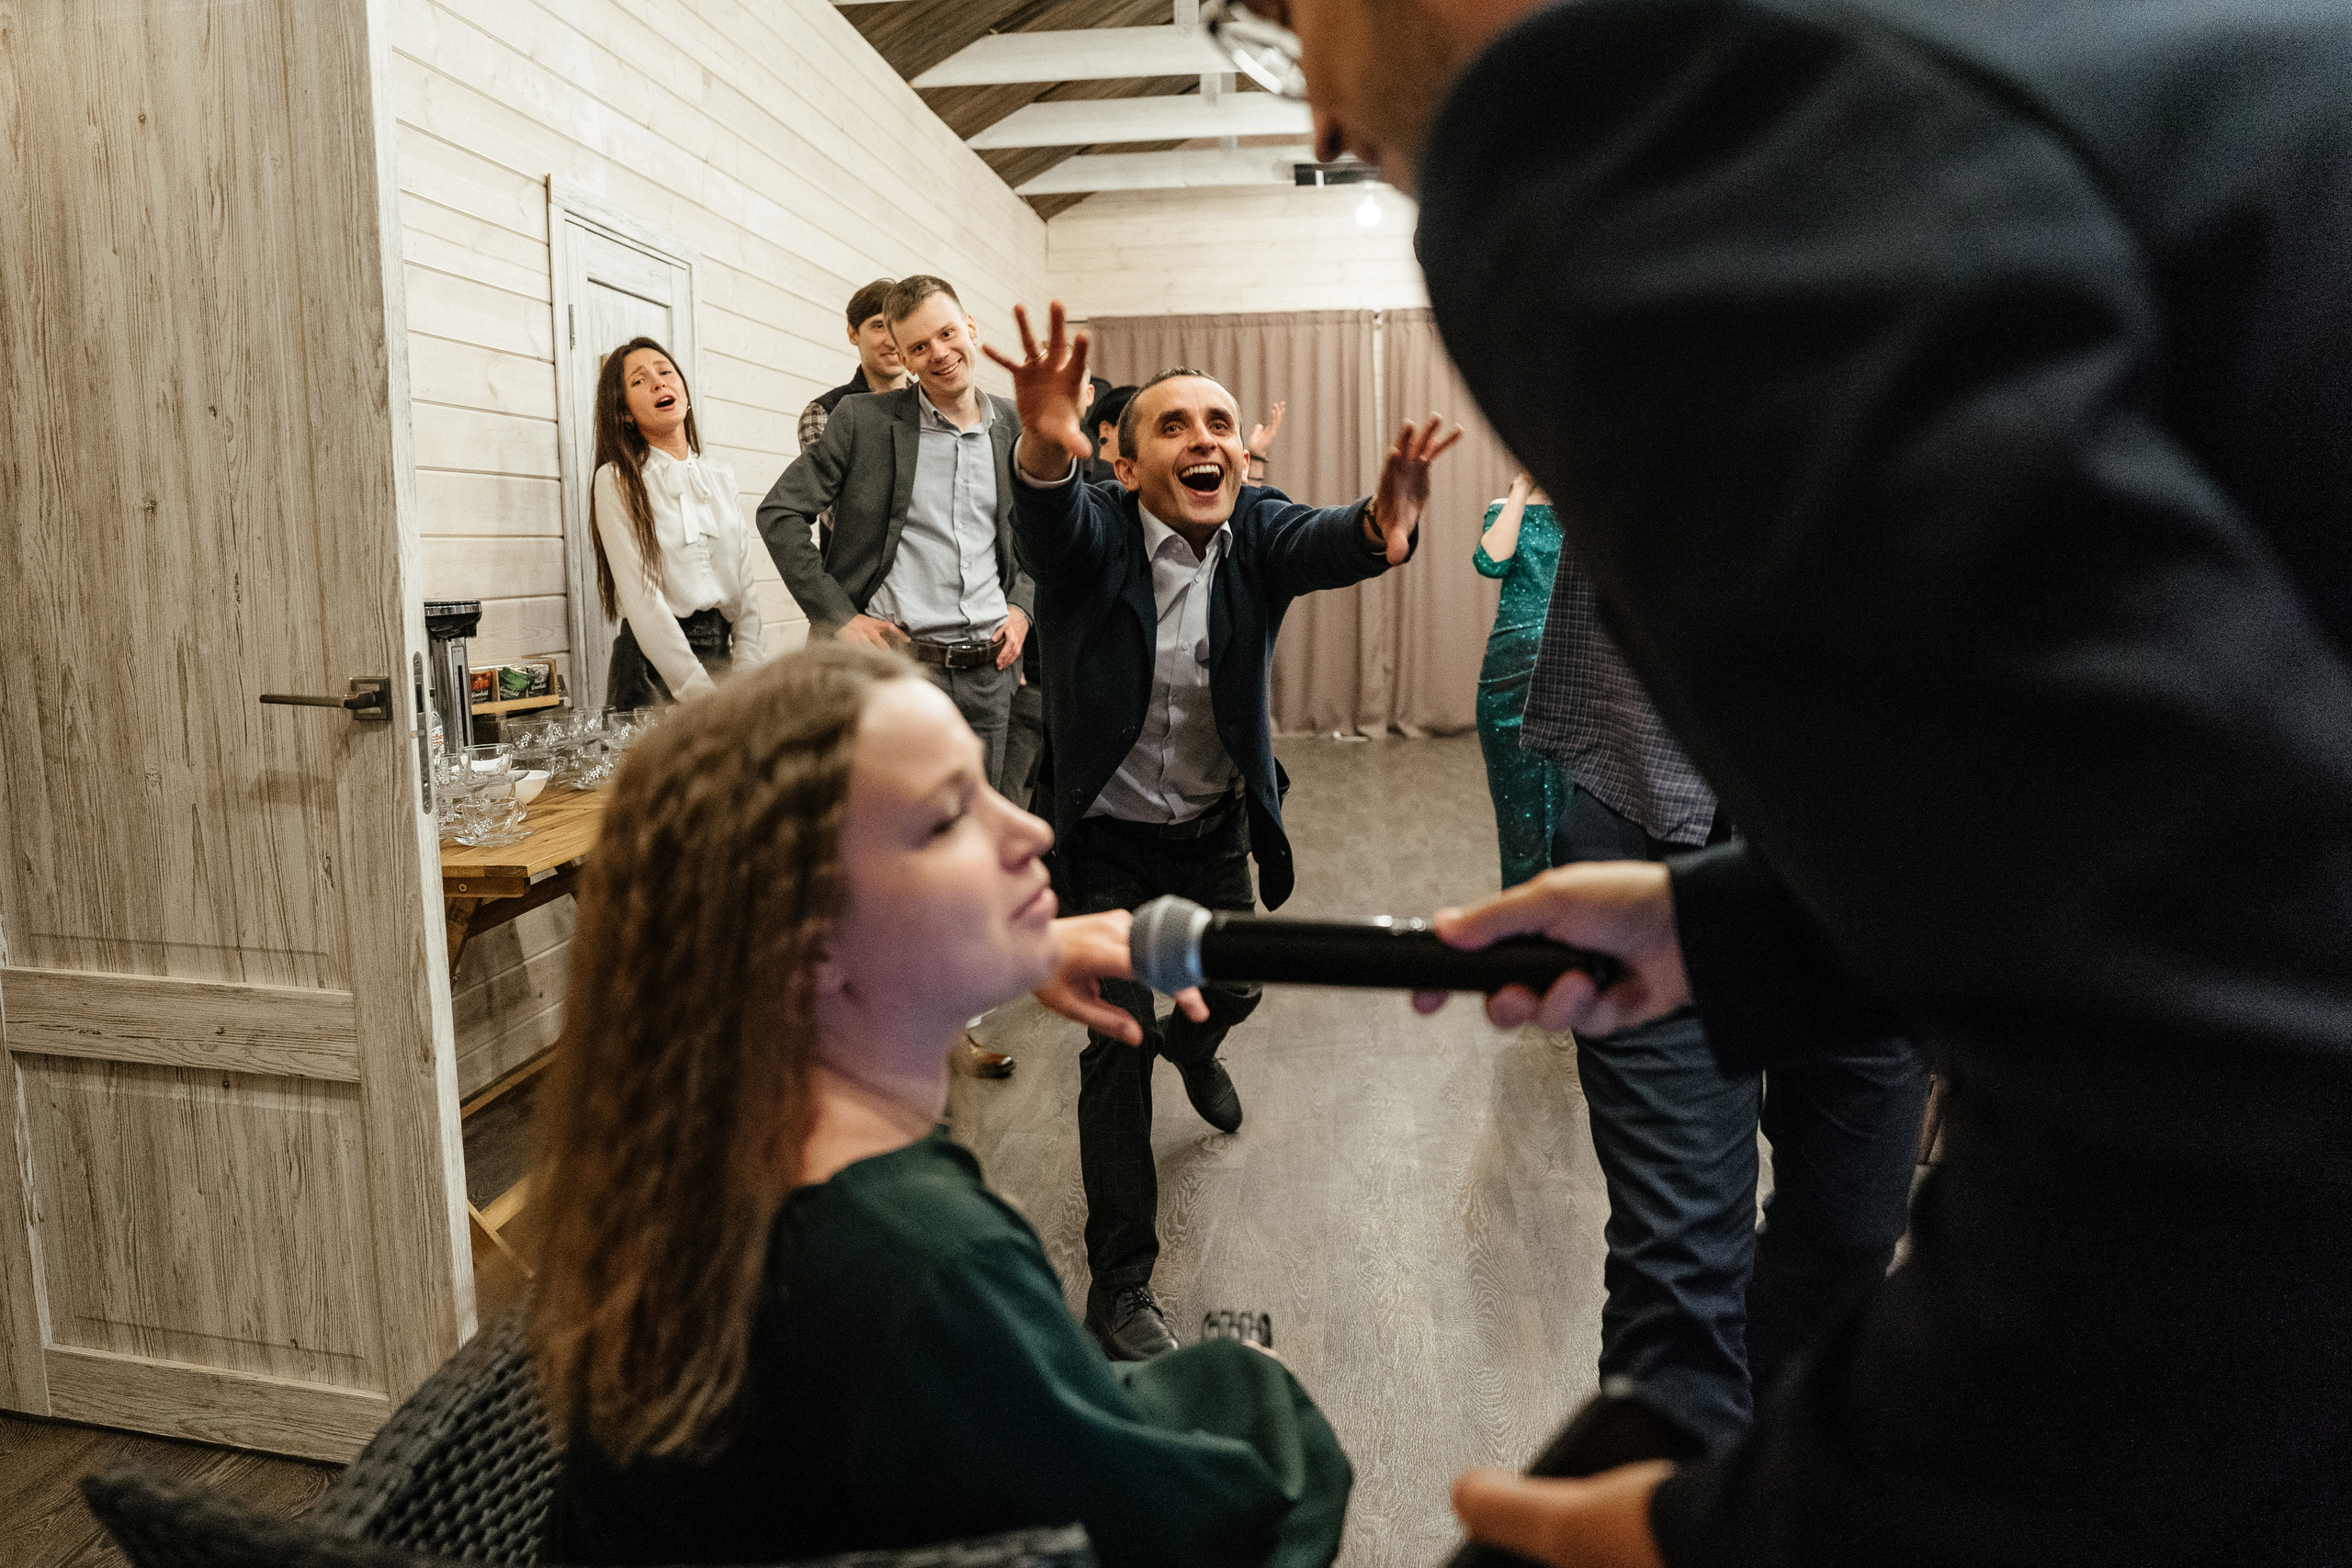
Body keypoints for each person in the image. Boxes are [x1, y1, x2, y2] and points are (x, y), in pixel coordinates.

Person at [1244, 0, 2352, 1561]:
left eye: (1294, 22)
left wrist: (1756, 1530)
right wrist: (1742, 937)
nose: (1321, 121)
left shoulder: (1651, 145)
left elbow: (2208, 1075)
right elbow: (2163, 811)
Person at [531, 642, 1353, 1568]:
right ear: (807, 950)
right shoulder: (919, 1264)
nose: (1031, 832)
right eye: (947, 819)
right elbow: (1206, 1533)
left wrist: (1016, 945)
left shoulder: (711, 1148)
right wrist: (1273, 1400)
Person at [986, 300, 1461, 1361]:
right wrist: (1035, 440)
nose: (1203, 438)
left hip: (1208, 832)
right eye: (1173, 425)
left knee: (1231, 987)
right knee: (1114, 1045)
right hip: (1101, 839)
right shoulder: (1095, 532)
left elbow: (1335, 538)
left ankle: (1195, 1043)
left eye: (1218, 422)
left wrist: (1387, 525)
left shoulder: (1257, 528)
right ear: (1126, 462)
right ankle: (1122, 1285)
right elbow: (1046, 517)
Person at [758, 275, 1034, 792]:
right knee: (892, 841)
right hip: (895, 671)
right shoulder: (860, 419)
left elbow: (1039, 536)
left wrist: (1023, 606)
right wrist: (839, 616)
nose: (939, 353)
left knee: (981, 840)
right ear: (904, 360)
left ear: (970, 328)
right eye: (920, 347)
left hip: (988, 674)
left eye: (948, 334)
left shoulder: (1016, 424)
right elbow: (779, 513)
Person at [590, 336, 766, 707]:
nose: (659, 382)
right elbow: (643, 604)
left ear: (684, 390)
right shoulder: (617, 480)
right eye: (639, 381)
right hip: (651, 674)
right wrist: (700, 694)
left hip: (723, 661)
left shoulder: (721, 476)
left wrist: (748, 677)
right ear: (625, 413)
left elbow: (746, 590)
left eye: (666, 371)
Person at [1471, 470, 1569, 891]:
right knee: (1519, 831)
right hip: (1509, 685)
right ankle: (1527, 945)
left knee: (1577, 828)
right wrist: (1519, 491)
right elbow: (1490, 561)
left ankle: (1574, 935)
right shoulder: (1505, 508)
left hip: (1576, 683)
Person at [796, 277, 911, 457]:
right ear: (853, 334)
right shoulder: (824, 412)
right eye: (879, 326)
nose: (892, 341)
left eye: (899, 326)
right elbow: (825, 484)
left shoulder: (934, 405)